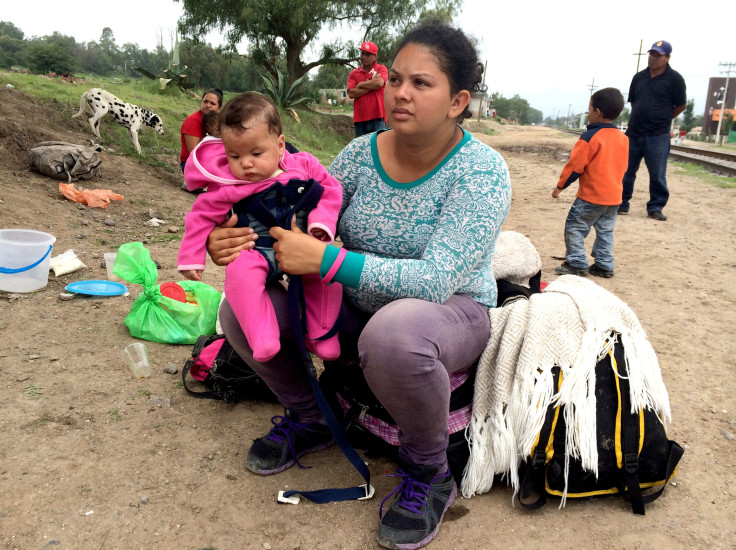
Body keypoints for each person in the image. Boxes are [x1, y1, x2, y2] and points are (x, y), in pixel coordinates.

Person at [207, 20, 511, 549]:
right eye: (395, 79)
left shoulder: (481, 173)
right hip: (349, 311)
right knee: (238, 307)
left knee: (393, 334)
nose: (400, 93)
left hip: (446, 315)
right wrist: (235, 242)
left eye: (421, 83)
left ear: (458, 100)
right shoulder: (357, 157)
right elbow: (300, 224)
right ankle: (311, 419)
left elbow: (436, 279)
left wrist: (327, 260)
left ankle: (429, 472)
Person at [178, 92, 344, 363]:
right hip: (256, 248)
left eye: (256, 153)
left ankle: (322, 333)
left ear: (280, 145)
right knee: (239, 274)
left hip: (303, 246)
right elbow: (201, 215)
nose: (245, 163)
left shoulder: (303, 165)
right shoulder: (228, 184)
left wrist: (322, 224)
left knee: (326, 271)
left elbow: (331, 190)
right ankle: (262, 335)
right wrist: (191, 255)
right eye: (234, 155)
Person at [553, 88, 628, 279]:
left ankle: (577, 262)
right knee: (605, 230)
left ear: (597, 112)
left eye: (589, 108)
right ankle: (604, 265)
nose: (588, 113)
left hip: (591, 196)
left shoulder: (589, 138)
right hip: (614, 197)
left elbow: (575, 167)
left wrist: (560, 186)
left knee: (575, 226)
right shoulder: (623, 138)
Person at [619, 40, 687, 221]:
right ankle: (621, 203)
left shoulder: (675, 80)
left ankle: (656, 207)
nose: (653, 58)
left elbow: (681, 105)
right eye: (651, 54)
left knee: (657, 173)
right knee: (626, 170)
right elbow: (634, 102)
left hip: (658, 134)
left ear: (667, 57)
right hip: (634, 132)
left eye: (658, 55)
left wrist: (663, 118)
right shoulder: (639, 78)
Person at [347, 41, 388, 137]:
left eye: (368, 54)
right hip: (359, 121)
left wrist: (361, 84)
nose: (364, 56)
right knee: (361, 151)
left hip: (378, 118)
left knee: (379, 150)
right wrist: (371, 85)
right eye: (362, 53)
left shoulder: (381, 69)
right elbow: (351, 93)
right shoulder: (354, 73)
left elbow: (379, 83)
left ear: (375, 56)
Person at [179, 88, 224, 171]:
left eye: (212, 103)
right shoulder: (193, 121)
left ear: (219, 108)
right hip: (191, 163)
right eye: (205, 101)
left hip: (210, 161)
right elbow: (194, 153)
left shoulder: (219, 122)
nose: (207, 105)